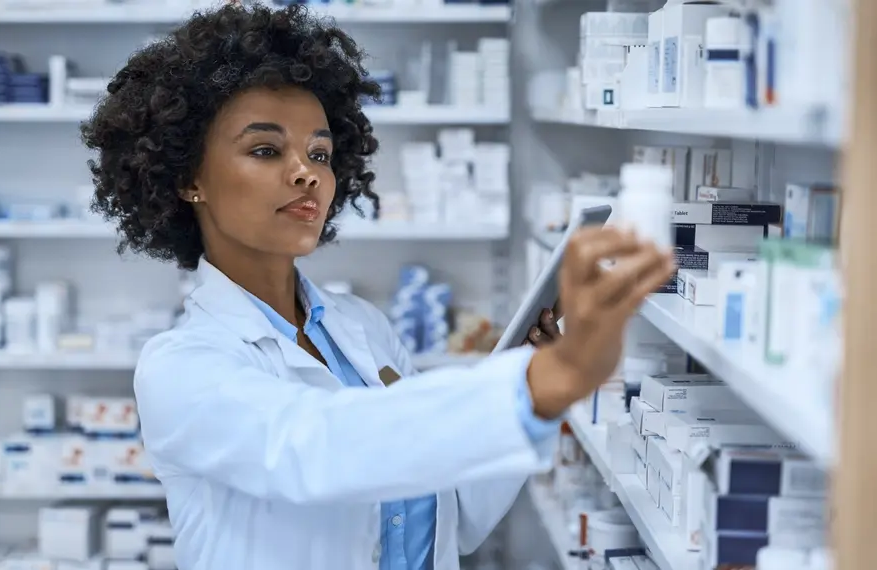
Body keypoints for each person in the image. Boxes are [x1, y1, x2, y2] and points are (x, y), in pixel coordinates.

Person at [80, 5, 675, 570]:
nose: (306, 172)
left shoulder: (361, 328)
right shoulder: (181, 368)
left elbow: (456, 516)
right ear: (188, 180)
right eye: (266, 150)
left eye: (320, 151)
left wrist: (528, 364)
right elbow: (315, 447)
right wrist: (538, 385)